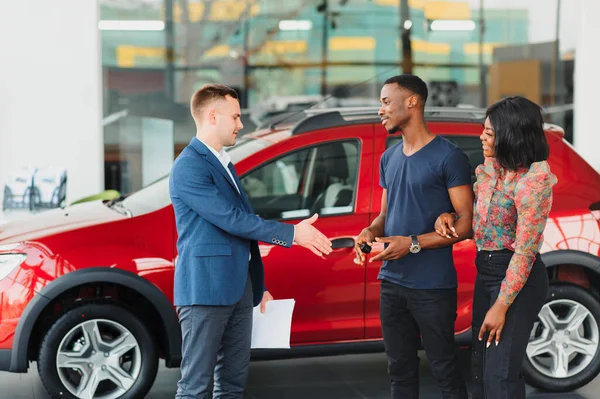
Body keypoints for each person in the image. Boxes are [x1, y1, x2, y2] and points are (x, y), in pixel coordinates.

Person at [169, 84, 333, 399]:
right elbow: (230, 218)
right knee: (195, 387)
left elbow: (238, 230)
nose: (241, 124)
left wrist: (257, 287)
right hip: (204, 291)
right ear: (213, 116)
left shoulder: (222, 161)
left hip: (238, 289)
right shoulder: (189, 165)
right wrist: (292, 234)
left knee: (232, 384)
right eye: (236, 117)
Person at [355, 74, 473, 399]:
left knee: (445, 369)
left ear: (412, 102)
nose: (380, 110)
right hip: (392, 284)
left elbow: (465, 224)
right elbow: (384, 216)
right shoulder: (388, 158)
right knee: (400, 373)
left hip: (433, 287)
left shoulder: (448, 157)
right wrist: (369, 232)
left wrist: (413, 244)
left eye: (385, 101)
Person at [434, 96, 556, 399]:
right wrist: (449, 215)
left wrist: (501, 305)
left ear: (511, 136)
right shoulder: (491, 170)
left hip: (517, 279)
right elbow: (475, 214)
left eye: (489, 133)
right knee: (480, 367)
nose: (481, 137)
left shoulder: (533, 181)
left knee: (501, 376)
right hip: (486, 271)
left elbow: (525, 251)